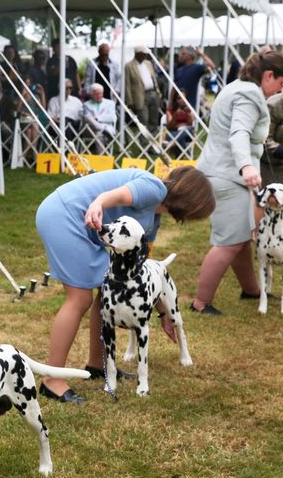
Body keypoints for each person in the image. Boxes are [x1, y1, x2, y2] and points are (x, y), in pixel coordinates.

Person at [36, 167, 215, 402]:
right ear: (191, 203)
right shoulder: (154, 188)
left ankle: (98, 365)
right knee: (79, 299)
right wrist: (98, 204)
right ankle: (52, 380)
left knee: (109, 289)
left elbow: (140, 267)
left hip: (79, 218)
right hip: (65, 215)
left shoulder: (153, 218)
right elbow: (116, 196)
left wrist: (162, 313)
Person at [191, 50, 283, 315]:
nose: (280, 90)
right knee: (229, 242)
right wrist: (246, 166)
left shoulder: (238, 87)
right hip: (227, 175)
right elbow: (239, 134)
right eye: (281, 83)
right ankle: (200, 303)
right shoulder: (249, 95)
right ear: (268, 75)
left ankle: (252, 290)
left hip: (222, 173)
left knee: (240, 237)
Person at [125, 45, 161, 132]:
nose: (145, 56)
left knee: (154, 119)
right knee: (143, 120)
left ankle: (153, 141)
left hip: (152, 93)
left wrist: (158, 92)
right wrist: (130, 101)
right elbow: (127, 85)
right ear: (138, 54)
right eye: (143, 54)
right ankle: (144, 144)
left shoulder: (148, 63)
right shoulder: (129, 66)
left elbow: (154, 78)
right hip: (140, 96)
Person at [172, 45, 216, 116]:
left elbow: (212, 66)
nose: (181, 56)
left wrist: (201, 54)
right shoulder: (178, 70)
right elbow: (174, 87)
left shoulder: (197, 68)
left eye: (183, 54)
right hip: (178, 106)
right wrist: (170, 103)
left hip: (190, 105)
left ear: (190, 56)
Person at [83, 83, 117, 154]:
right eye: (96, 94)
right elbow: (89, 119)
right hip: (90, 130)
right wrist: (100, 119)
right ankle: (101, 129)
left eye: (100, 93)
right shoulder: (86, 105)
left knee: (99, 134)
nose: (99, 96)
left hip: (107, 129)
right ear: (91, 94)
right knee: (87, 117)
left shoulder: (110, 103)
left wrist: (97, 118)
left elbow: (112, 118)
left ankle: (100, 158)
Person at [165, 90, 194, 155]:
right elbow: (169, 127)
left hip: (187, 133)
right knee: (181, 138)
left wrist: (189, 114)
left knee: (188, 129)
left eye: (184, 98)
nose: (182, 100)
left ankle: (172, 143)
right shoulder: (170, 110)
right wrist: (175, 116)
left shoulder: (189, 109)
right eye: (179, 98)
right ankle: (183, 154)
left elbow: (190, 124)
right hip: (173, 133)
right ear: (175, 99)